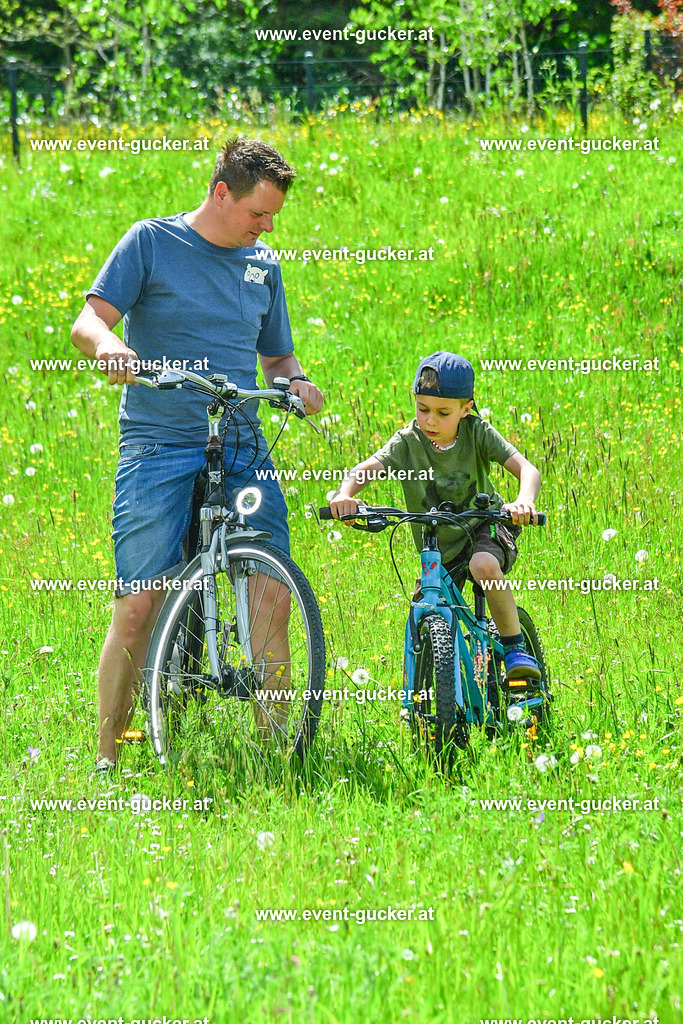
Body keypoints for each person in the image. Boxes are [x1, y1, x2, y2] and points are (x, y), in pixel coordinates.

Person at [70, 137, 323, 773]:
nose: (267, 228)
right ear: (220, 193)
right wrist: (109, 347)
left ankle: (275, 754)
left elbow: (277, 357)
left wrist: (295, 382)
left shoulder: (263, 264)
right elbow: (88, 322)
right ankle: (108, 757)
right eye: (258, 214)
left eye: (273, 217)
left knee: (272, 590)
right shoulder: (151, 242)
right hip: (159, 440)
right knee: (138, 604)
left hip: (241, 440)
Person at [328, 351, 542, 680]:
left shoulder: (477, 433)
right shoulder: (407, 441)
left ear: (466, 408)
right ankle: (421, 696)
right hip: (438, 544)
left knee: (483, 566)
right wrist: (345, 494)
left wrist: (524, 501)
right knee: (422, 611)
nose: (430, 420)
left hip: (484, 526)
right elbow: (366, 468)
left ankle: (515, 648)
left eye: (443, 413)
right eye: (422, 408)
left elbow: (528, 470)